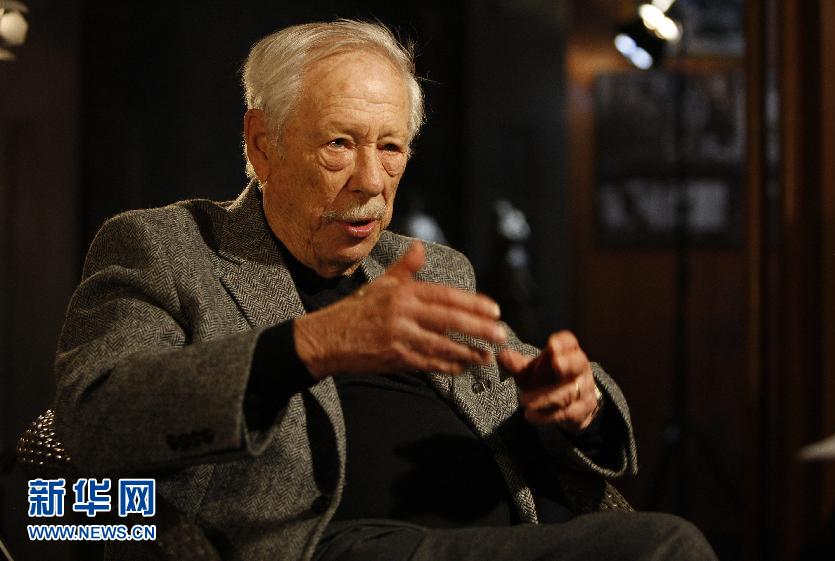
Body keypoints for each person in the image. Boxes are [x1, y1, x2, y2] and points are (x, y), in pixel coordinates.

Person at [53, 19, 717, 561]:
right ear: (261, 144)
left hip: (507, 532)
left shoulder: (429, 266)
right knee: (665, 547)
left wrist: (574, 405)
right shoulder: (168, 248)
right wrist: (312, 344)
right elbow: (95, 417)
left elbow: (533, 382)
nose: (371, 181)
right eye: (339, 144)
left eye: (391, 148)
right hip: (328, 543)